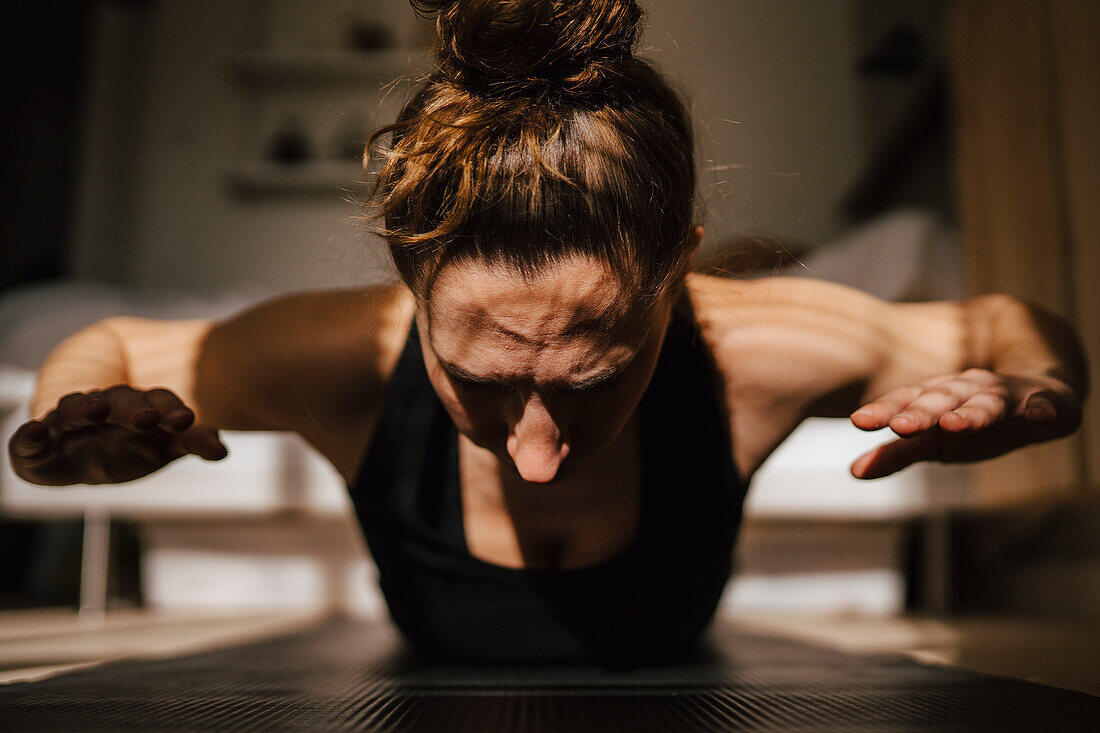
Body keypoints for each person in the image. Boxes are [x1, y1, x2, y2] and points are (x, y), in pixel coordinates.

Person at [7, 0, 1088, 665]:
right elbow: (109, 342)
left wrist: (1036, 389)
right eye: (480, 380)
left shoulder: (763, 347)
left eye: (590, 380)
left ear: (674, 275)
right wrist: (74, 418)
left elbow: (1003, 323)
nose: (533, 447)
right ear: (406, 276)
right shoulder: (341, 358)